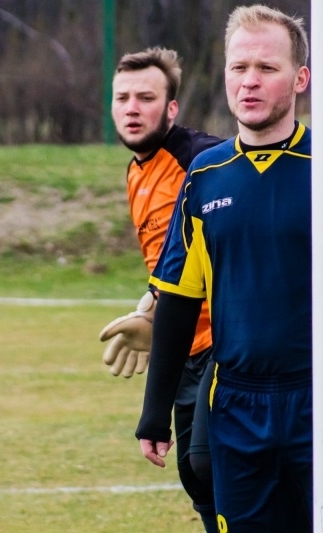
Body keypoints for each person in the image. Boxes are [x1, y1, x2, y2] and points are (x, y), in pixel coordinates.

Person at [135, 5, 323, 532]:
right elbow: (178, 298)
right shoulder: (206, 175)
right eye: (239, 68)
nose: (250, 81)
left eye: (267, 68)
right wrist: (155, 411)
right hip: (236, 404)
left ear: (301, 78)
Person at [97, 46, 223, 533]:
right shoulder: (135, 172)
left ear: (171, 108)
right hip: (183, 345)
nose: (131, 108)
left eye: (145, 97)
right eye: (122, 97)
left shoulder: (202, 159)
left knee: (214, 465)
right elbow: (171, 260)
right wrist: (150, 311)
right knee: (196, 475)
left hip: (228, 345)